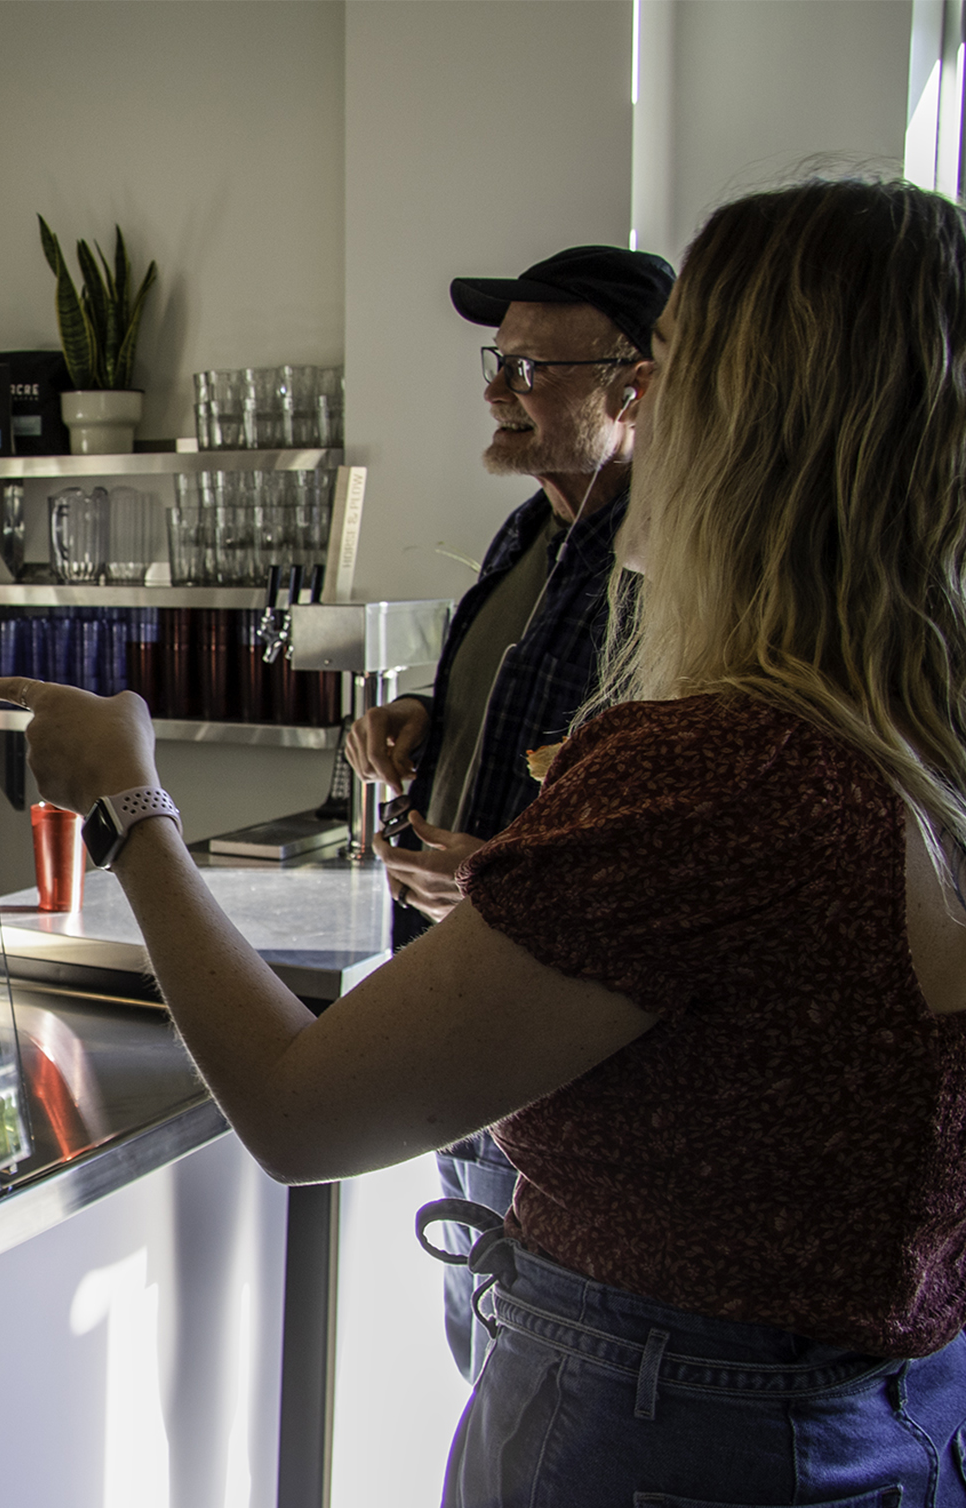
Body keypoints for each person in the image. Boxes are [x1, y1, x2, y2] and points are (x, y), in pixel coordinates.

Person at [0, 177, 966, 1508]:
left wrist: (133, 803)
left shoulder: (721, 771)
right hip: (888, 1442)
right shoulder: (909, 746)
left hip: (677, 1468)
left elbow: (303, 1111)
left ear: (756, 425)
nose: (645, 409)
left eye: (669, 373)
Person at [343, 244, 673, 1380]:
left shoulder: (668, 565)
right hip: (462, 1008)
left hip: (553, 1050)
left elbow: (662, 831)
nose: (496, 389)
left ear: (631, 386)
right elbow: (523, 708)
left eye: (530, 368)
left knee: (519, 1370)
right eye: (497, 361)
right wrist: (429, 717)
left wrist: (494, 877)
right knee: (482, 1348)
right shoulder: (530, 528)